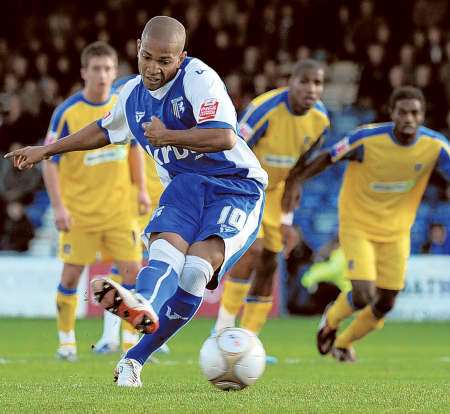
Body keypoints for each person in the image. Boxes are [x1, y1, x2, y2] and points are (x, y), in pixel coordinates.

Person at [5, 16, 267, 387]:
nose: (154, 68)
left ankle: (133, 358)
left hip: (235, 185)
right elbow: (102, 130)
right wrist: (47, 151)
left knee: (195, 271)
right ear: (138, 47)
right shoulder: (130, 94)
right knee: (165, 252)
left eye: (165, 61)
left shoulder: (200, 79)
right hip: (185, 184)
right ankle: (140, 301)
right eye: (148, 57)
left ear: (182, 58)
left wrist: (168, 135)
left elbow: (224, 137)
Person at [282, 86, 450, 362]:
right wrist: (297, 180)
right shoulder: (367, 139)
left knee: (386, 302)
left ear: (422, 116)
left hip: (396, 232)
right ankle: (330, 322)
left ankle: (344, 343)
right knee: (362, 294)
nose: (409, 117)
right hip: (357, 225)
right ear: (392, 113)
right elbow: (329, 156)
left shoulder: (435, 147)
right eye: (403, 112)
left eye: (415, 112)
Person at [41, 41, 150, 361]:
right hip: (80, 214)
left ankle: (131, 345)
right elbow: (49, 160)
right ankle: (66, 343)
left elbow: (133, 148)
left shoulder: (123, 104)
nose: (102, 75)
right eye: (96, 69)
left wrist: (141, 188)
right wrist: (59, 207)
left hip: (120, 211)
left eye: (108, 69)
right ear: (83, 73)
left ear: (115, 72)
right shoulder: (67, 113)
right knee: (71, 277)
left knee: (133, 273)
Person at [213, 59, 329, 342]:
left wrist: (287, 221)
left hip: (276, 192)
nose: (311, 89)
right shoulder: (264, 110)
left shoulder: (321, 122)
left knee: (270, 263)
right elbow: (234, 148)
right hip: (247, 186)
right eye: (305, 81)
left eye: (317, 83)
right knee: (253, 251)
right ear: (290, 82)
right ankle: (222, 330)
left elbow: (297, 172)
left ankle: (249, 340)